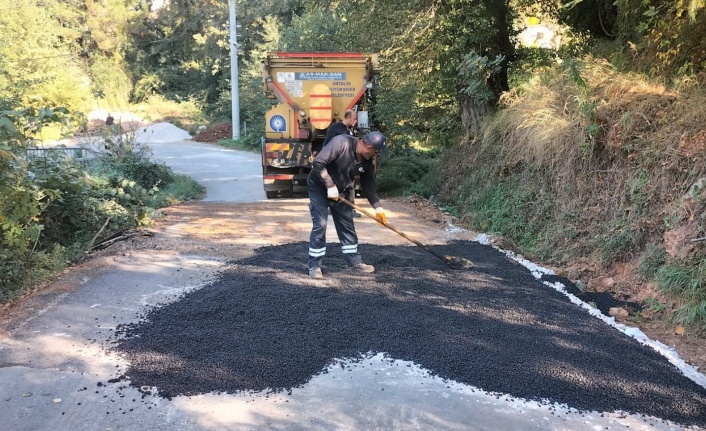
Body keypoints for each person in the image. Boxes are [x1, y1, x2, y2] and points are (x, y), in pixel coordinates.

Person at [307, 131, 388, 279]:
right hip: (319, 187)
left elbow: (368, 185)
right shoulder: (341, 143)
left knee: (347, 225)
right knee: (320, 224)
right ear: (369, 147)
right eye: (376, 150)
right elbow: (318, 162)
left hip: (342, 191)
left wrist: (378, 208)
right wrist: (330, 185)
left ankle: (354, 262)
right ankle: (315, 265)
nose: (377, 154)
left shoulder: (367, 160)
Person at [323, 109, 362, 216]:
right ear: (348, 118)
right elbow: (326, 144)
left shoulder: (350, 130)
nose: (355, 121)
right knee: (336, 185)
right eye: (354, 119)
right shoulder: (335, 128)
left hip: (349, 163)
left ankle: (351, 209)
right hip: (336, 163)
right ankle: (331, 208)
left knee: (350, 186)